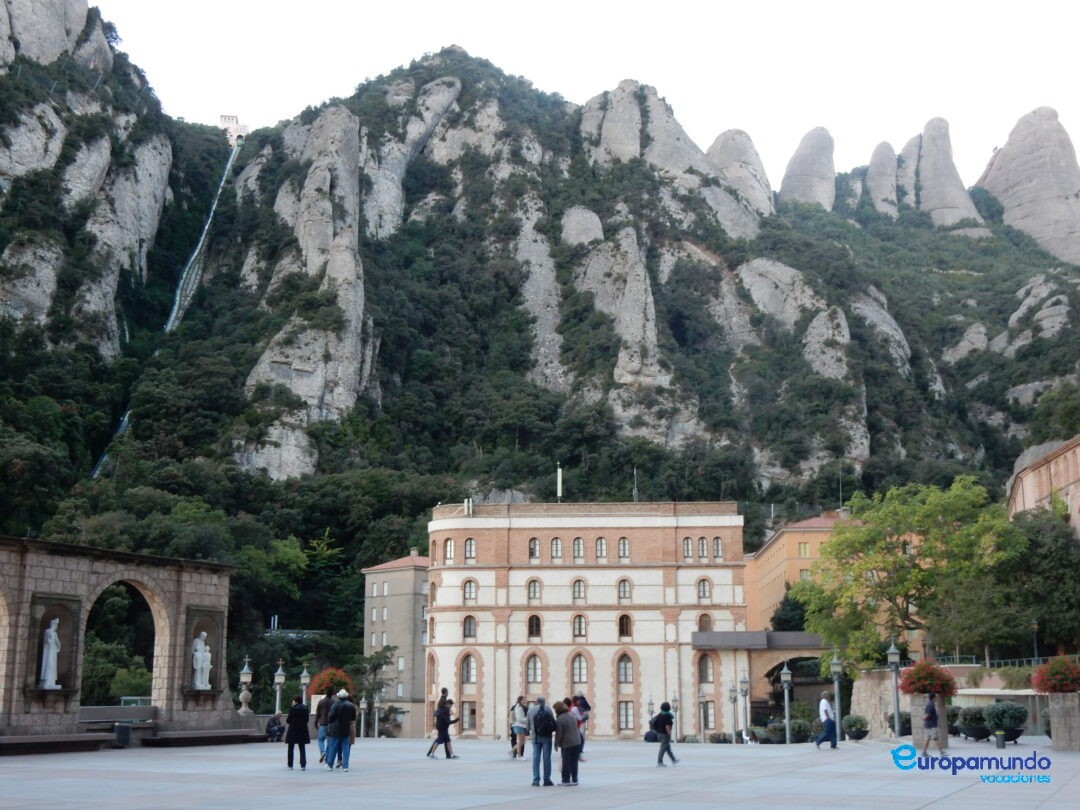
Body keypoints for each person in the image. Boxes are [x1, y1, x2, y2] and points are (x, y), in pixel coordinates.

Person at [325, 689, 357, 772]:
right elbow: (353, 718)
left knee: (333, 747)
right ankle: (345, 766)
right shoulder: (351, 706)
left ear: (339, 697)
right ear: (346, 697)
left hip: (336, 729)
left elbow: (330, 717)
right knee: (345, 748)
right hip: (346, 728)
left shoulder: (335, 705)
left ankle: (330, 765)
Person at [527, 695, 556, 786]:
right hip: (547, 737)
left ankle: (536, 780)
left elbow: (528, 726)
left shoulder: (530, 710)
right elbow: (552, 723)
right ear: (544, 702)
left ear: (536, 702)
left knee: (536, 758)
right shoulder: (548, 709)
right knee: (547, 758)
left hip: (535, 737)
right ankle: (547, 780)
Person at [553, 700, 582, 786]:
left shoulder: (560, 719)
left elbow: (559, 734)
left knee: (566, 762)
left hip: (567, 743)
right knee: (574, 762)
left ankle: (566, 780)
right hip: (577, 741)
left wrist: (556, 745)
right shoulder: (572, 715)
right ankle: (575, 779)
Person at [285, 695, 310, 770]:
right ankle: (303, 765)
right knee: (302, 747)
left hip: (293, 729)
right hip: (302, 729)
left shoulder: (293, 708)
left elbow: (288, 720)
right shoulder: (305, 708)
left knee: (291, 747)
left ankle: (290, 765)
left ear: (295, 701)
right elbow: (307, 720)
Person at [314, 687, 335, 763]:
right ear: (332, 694)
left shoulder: (321, 702)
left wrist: (316, 722)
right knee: (330, 741)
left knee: (320, 740)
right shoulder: (334, 702)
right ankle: (327, 757)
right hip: (331, 724)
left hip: (322, 724)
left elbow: (318, 713)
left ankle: (322, 752)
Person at [655, 701, 678, 766]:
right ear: (668, 708)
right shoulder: (667, 716)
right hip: (665, 734)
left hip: (659, 734)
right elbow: (667, 726)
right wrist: (669, 734)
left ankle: (673, 759)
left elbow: (655, 724)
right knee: (663, 748)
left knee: (667, 748)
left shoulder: (659, 715)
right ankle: (660, 762)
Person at [40, 618, 61, 689]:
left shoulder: (55, 633)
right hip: (48, 651)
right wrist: (50, 641)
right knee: (48, 664)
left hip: (53, 651)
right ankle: (46, 681)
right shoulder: (47, 631)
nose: (57, 626)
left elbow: (58, 642)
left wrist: (58, 648)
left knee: (52, 666)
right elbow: (46, 640)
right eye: (56, 625)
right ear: (53, 624)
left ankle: (51, 682)